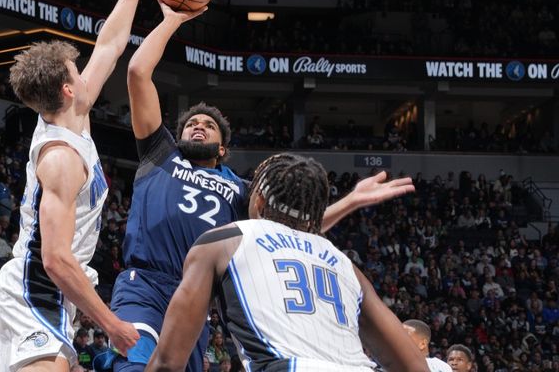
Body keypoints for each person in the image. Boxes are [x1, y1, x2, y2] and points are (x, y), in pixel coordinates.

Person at [110, 0, 416, 372]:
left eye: (208, 125)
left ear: (222, 147)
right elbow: (139, 71)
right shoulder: (161, 155)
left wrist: (350, 201)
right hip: (147, 282)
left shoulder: (243, 191)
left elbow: (289, 232)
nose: (198, 125)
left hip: (198, 294)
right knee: (136, 365)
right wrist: (173, 19)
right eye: (191, 123)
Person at [0, 0, 174, 372]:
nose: (86, 69)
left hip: (55, 296)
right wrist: (110, 323)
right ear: (68, 88)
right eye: (78, 69)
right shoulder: (60, 160)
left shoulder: (72, 113)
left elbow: (111, 44)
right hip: (35, 288)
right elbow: (55, 259)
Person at [144, 153, 428, 372]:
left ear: (260, 201)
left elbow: (168, 362)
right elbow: (413, 366)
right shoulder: (344, 263)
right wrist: (351, 201)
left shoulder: (221, 241)